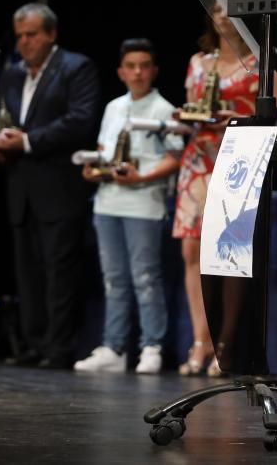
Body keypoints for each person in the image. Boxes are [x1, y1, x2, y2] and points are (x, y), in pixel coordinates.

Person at [0, 2, 99, 370]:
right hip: (20, 189)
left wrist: (28, 141)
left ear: (51, 34)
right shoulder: (13, 74)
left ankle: (58, 347)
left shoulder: (76, 68)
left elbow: (80, 121)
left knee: (59, 272)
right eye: (20, 37)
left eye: (32, 35)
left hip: (59, 188)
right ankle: (34, 343)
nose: (25, 43)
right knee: (28, 272)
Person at [74, 39, 183, 374]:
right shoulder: (113, 107)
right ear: (121, 72)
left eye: (144, 65)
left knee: (146, 276)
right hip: (108, 201)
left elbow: (175, 157)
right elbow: (104, 149)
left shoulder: (163, 109)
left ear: (154, 70)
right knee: (113, 278)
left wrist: (142, 177)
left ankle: (151, 345)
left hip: (143, 203)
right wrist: (94, 168)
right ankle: (114, 346)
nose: (137, 72)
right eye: (131, 66)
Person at [171, 5, 260, 377]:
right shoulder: (198, 62)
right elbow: (192, 107)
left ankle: (227, 341)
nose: (222, 15)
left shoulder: (259, 61)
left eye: (229, 8)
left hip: (236, 156)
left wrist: (238, 120)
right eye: (215, 8)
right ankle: (200, 339)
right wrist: (182, 117)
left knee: (228, 253)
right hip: (197, 158)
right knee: (191, 250)